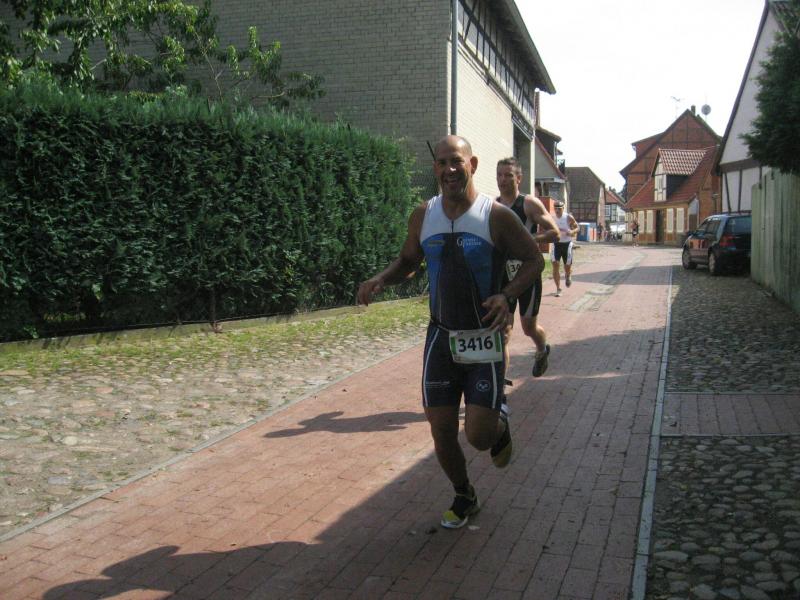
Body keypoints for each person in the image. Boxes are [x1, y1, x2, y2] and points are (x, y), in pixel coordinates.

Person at [357, 136, 543, 529]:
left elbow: (533, 260)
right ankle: (464, 495)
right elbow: (408, 261)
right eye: (441, 163)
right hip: (440, 337)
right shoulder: (423, 215)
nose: (449, 170)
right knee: (441, 430)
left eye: (456, 161)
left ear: (472, 164)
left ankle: (498, 424)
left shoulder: (495, 216)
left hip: (483, 337)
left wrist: (507, 295)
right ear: (435, 169)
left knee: (478, 437)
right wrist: (381, 278)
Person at [495, 157, 559, 378]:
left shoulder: (529, 204)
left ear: (519, 178)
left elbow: (554, 232)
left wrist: (529, 238)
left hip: (528, 275)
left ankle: (541, 349)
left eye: (508, 175)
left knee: (529, 327)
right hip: (504, 276)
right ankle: (500, 387)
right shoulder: (493, 207)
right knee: (503, 333)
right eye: (499, 175)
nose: (503, 180)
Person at [550, 201, 579, 297]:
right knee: (555, 264)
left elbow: (577, 227)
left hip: (567, 244)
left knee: (567, 266)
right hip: (556, 244)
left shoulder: (568, 217)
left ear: (563, 208)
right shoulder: (552, 218)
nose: (557, 210)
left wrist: (572, 232)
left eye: (559, 208)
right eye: (555, 208)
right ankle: (558, 288)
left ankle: (568, 274)